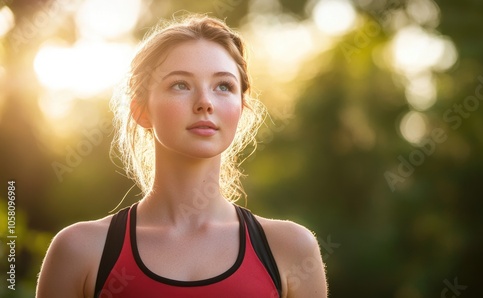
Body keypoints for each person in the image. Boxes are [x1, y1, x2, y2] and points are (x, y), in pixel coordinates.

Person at [36, 14, 328, 298]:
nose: (205, 102)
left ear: (241, 106)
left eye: (223, 86)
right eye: (180, 85)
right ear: (141, 110)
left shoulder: (290, 249)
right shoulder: (80, 251)